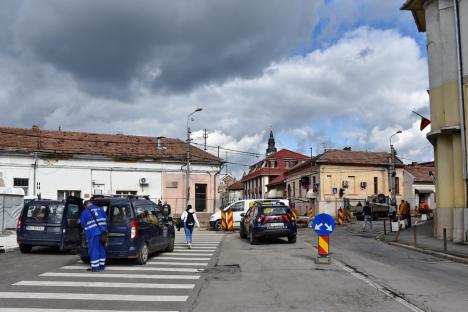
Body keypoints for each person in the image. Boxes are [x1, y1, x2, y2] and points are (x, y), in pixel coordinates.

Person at [79, 201, 108, 272]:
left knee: (94, 250)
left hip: (93, 233)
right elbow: (106, 219)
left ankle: (95, 267)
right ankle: (102, 266)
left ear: (85, 206)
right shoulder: (100, 209)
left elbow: (82, 224)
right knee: (102, 249)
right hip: (102, 232)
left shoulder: (85, 212)